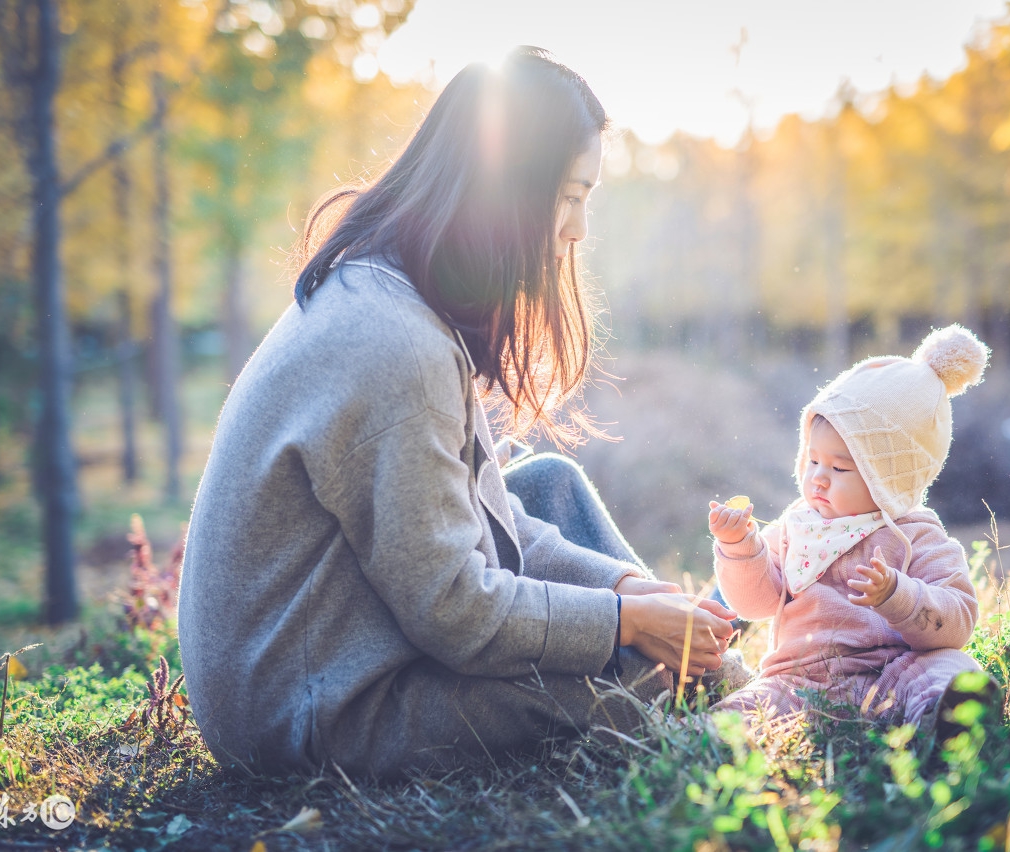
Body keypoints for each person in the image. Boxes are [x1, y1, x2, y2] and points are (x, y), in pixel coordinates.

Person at [177, 47, 735, 780]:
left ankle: (702, 665)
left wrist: (623, 591)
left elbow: (477, 516)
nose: (577, 231)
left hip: (345, 638)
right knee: (624, 680)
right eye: (569, 196)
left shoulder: (393, 293)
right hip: (316, 712)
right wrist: (623, 625)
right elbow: (455, 612)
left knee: (550, 488)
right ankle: (724, 697)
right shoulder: (393, 346)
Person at [707, 325, 993, 733]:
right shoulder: (797, 524)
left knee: (948, 666)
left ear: (890, 476)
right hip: (800, 679)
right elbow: (754, 604)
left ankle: (949, 719)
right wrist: (740, 548)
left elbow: (959, 618)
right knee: (752, 706)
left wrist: (898, 595)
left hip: (894, 672)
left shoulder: (915, 533)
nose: (819, 479)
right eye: (813, 461)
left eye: (840, 468)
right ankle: (712, 735)